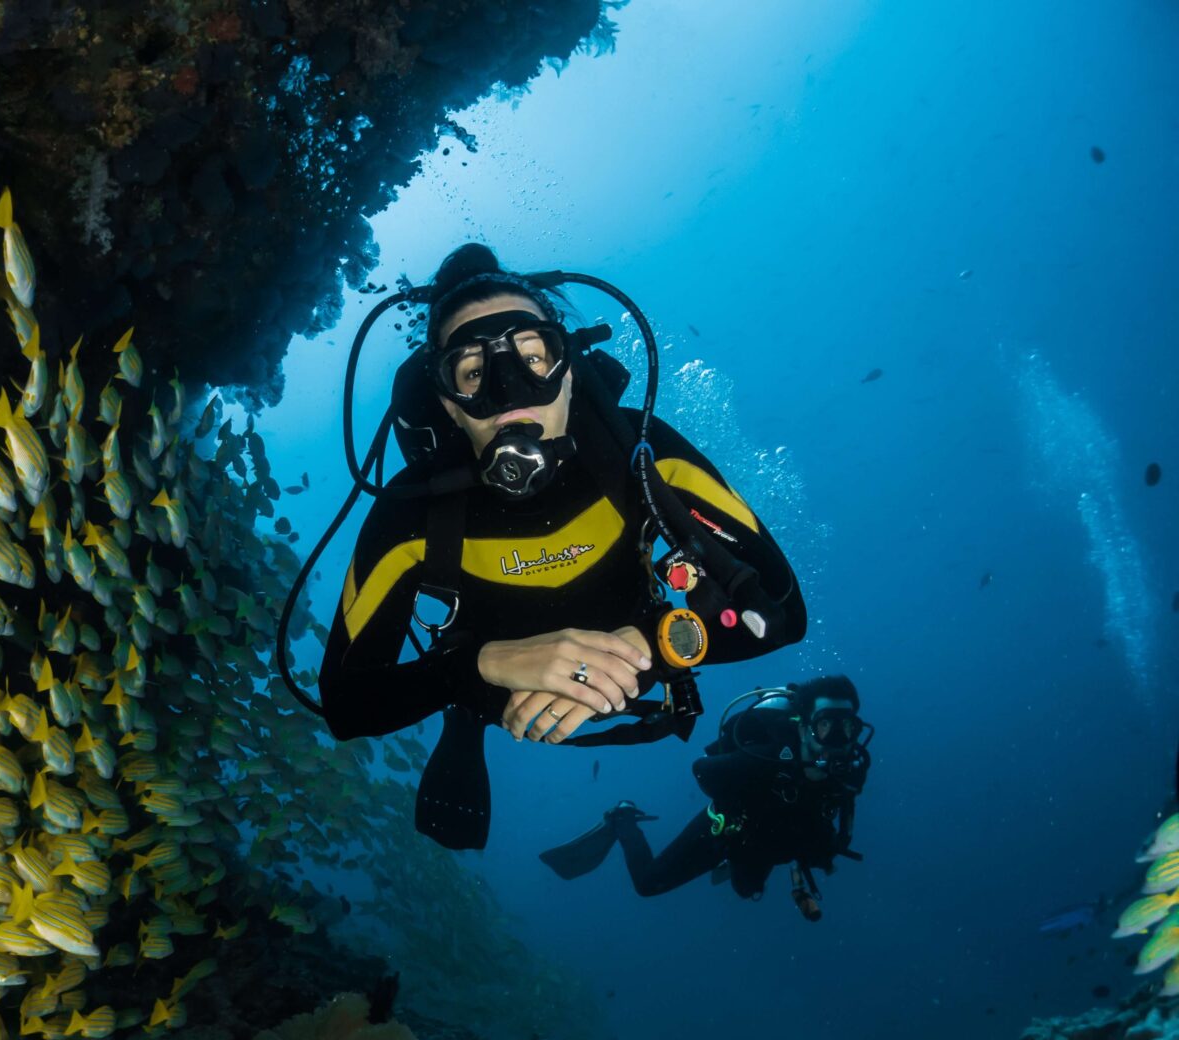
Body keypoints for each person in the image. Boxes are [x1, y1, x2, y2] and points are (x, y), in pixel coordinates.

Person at [315, 244, 808, 847]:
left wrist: (653, 645)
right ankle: (465, 717)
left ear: (569, 369)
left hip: (642, 651)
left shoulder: (644, 454)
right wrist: (480, 666)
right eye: (472, 372)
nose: (507, 391)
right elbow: (346, 704)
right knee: (464, 697)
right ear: (447, 401)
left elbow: (783, 610)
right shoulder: (411, 512)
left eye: (532, 357)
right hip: (489, 688)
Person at [539, 676, 873, 920]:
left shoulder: (848, 772)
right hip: (727, 831)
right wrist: (741, 804)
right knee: (648, 884)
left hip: (776, 841)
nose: (839, 739)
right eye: (827, 725)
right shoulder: (769, 756)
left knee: (745, 891)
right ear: (803, 727)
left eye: (848, 727)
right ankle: (622, 818)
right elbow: (703, 769)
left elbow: (837, 821)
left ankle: (745, 865)